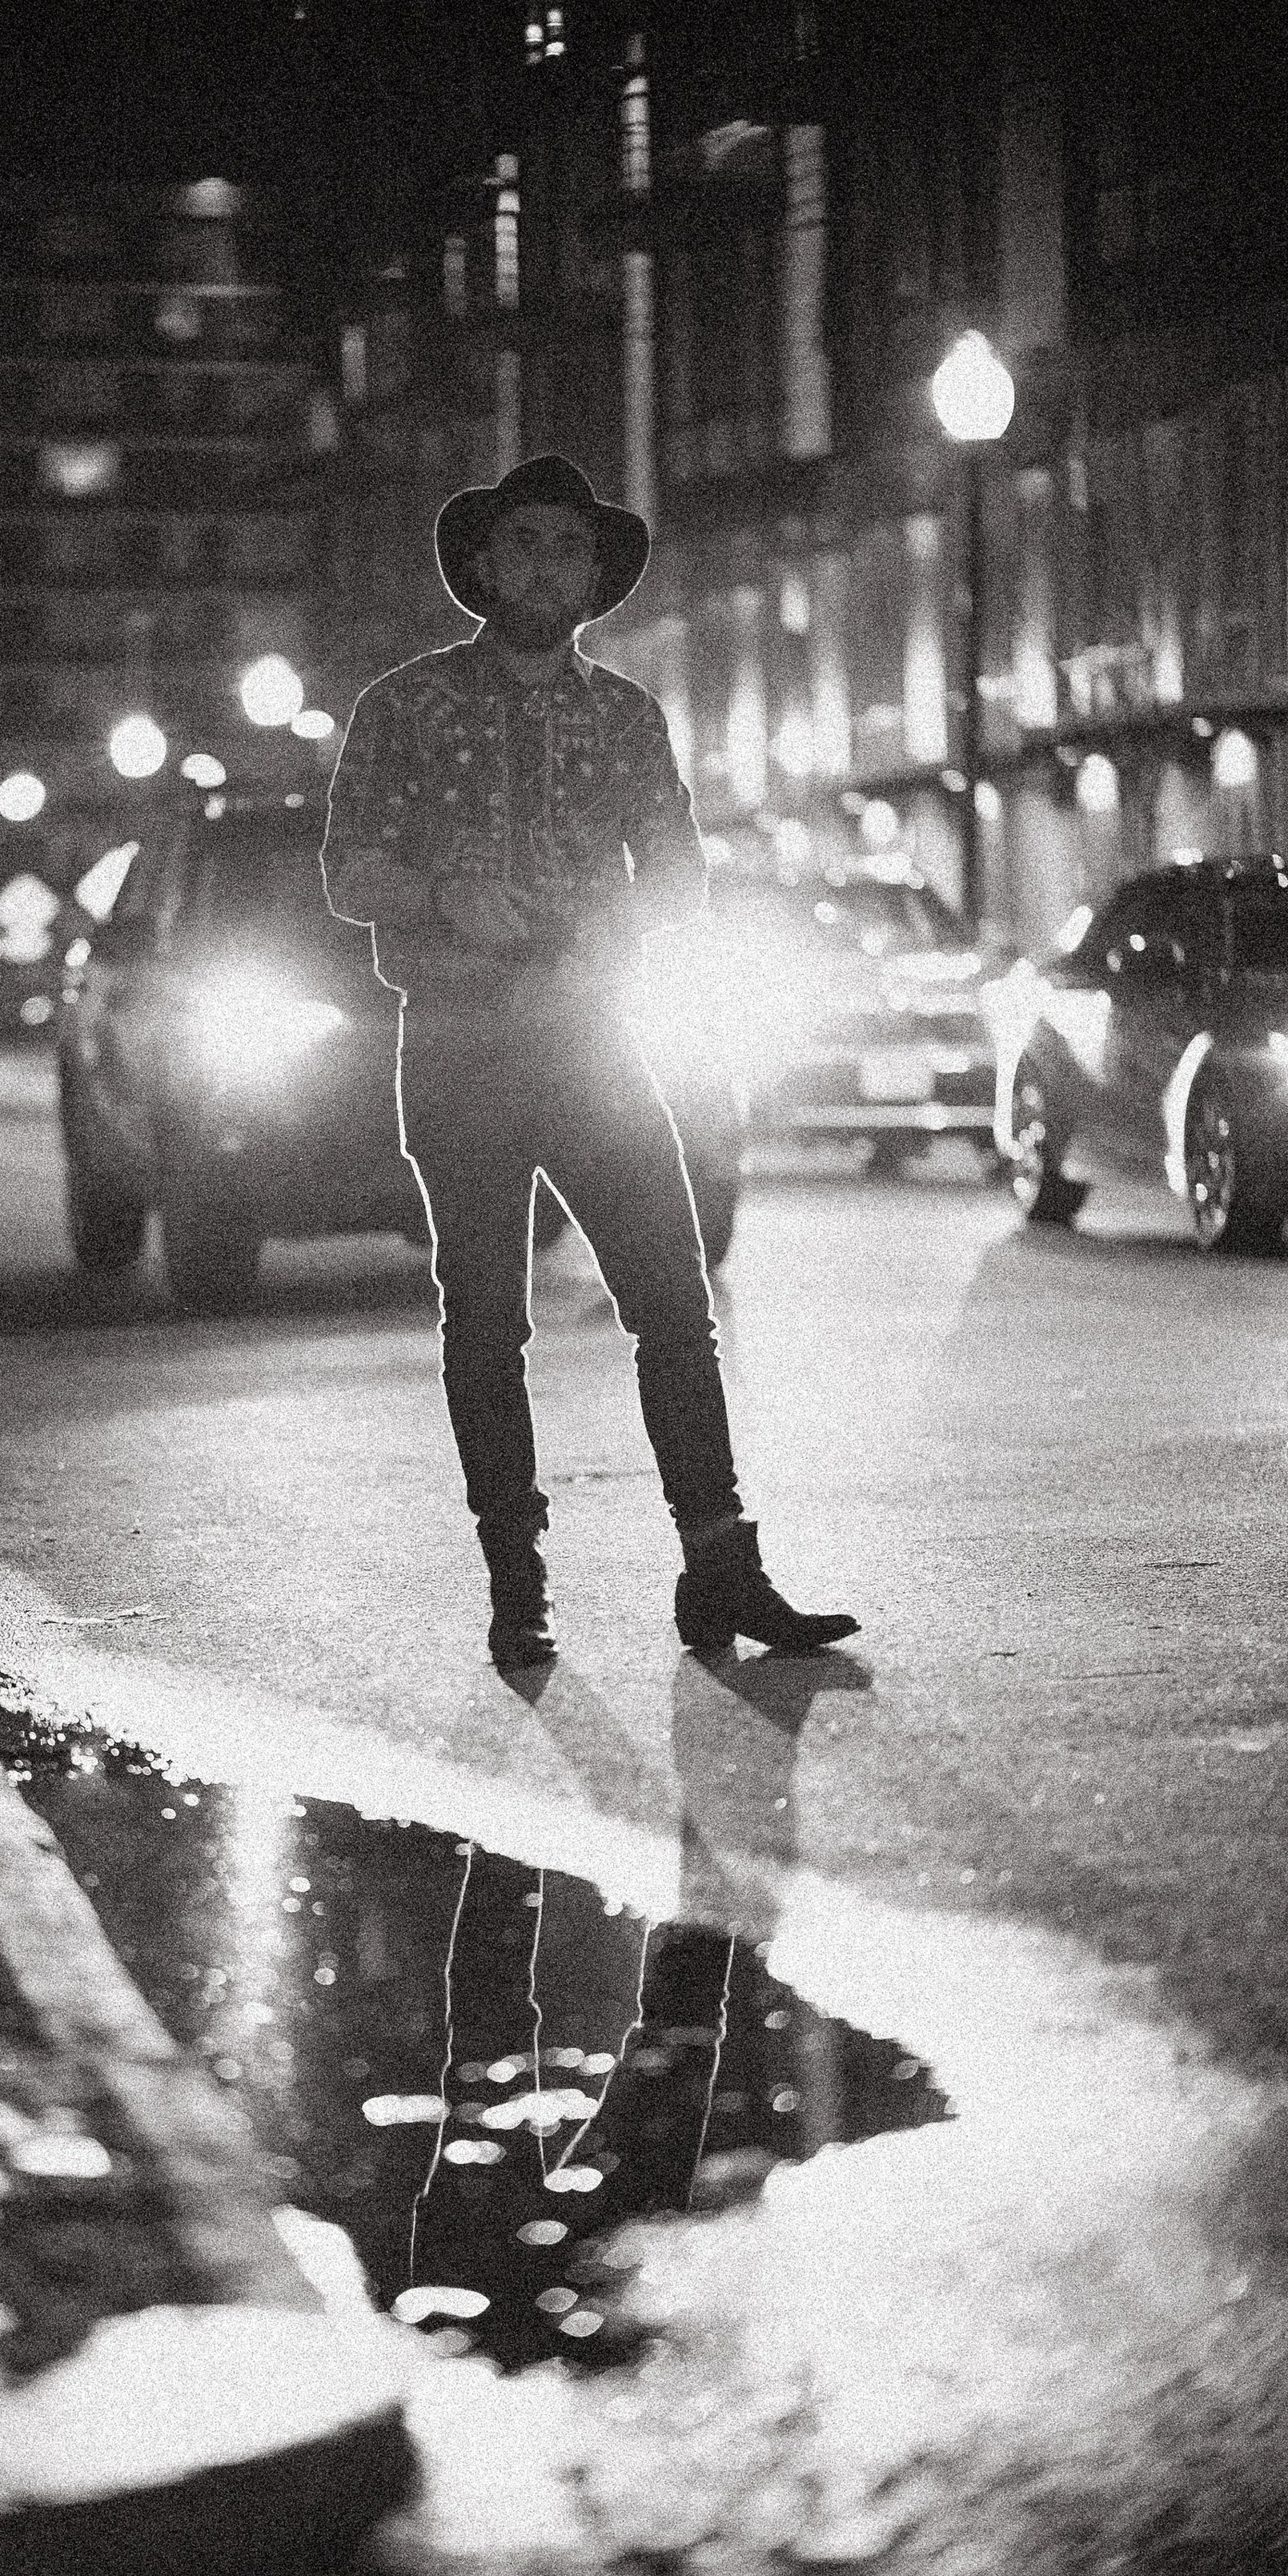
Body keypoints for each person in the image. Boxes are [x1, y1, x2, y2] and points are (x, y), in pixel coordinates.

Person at [321, 451, 857, 1668]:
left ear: (592, 575)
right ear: (482, 565)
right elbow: (346, 868)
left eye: (566, 548)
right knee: (487, 1325)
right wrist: (449, 894)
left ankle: (723, 1567)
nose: (544, 568)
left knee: (674, 1305)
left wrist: (621, 928)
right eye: (522, 545)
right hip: (459, 1051)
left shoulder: (624, 715)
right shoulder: (403, 707)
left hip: (595, 1047)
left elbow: (679, 870)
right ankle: (518, 1583)